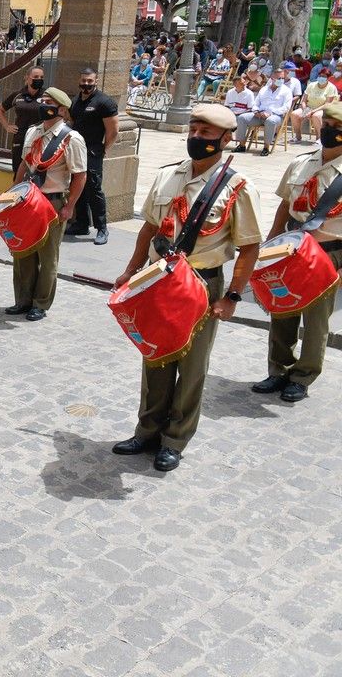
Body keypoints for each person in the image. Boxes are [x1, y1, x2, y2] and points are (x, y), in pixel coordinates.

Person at [112, 103, 261, 471]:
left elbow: (249, 246)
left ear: (226, 139)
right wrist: (131, 269)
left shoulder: (238, 187)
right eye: (194, 129)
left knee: (191, 366)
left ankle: (174, 440)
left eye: (206, 133)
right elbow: (148, 227)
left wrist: (233, 297)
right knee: (155, 358)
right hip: (157, 281)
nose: (196, 137)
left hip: (201, 285)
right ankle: (147, 431)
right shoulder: (167, 176)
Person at [252, 103, 342, 403]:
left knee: (316, 320)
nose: (329, 131)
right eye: (326, 124)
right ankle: (278, 369)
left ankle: (303, 376)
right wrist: (270, 241)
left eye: (336, 128)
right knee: (282, 308)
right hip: (290, 248)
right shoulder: (302, 162)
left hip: (327, 253)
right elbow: (284, 203)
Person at [9, 88, 87, 321]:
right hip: (27, 200)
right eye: (43, 100)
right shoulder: (33, 131)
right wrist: (13, 191)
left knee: (47, 255)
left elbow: (80, 175)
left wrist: (69, 206)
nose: (43, 104)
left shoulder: (72, 139)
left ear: (61, 109)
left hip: (52, 201)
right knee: (23, 252)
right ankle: (22, 300)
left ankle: (40, 303)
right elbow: (24, 164)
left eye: (49, 102)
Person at [68, 68, 119, 245]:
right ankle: (81, 223)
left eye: (90, 81)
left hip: (93, 151)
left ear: (96, 81)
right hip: (76, 152)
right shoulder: (75, 101)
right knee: (77, 187)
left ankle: (102, 228)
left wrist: (104, 150)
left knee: (93, 189)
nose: (86, 84)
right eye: (84, 80)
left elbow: (113, 131)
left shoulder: (104, 102)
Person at [0, 66, 47, 174]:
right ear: (27, 78)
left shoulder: (47, 96)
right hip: (20, 138)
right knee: (18, 170)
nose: (39, 79)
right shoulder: (18, 95)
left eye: (41, 77)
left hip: (39, 138)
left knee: (37, 172)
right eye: (36, 77)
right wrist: (7, 126)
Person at [236, 68, 293, 155]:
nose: (281, 80)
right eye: (278, 78)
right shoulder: (264, 89)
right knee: (242, 118)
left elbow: (286, 107)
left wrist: (270, 113)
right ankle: (242, 145)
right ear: (272, 78)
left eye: (282, 78)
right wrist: (256, 111)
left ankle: (266, 147)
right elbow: (255, 103)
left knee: (270, 121)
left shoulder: (286, 91)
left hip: (276, 115)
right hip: (260, 114)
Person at [289, 71, 340, 143]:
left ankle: (319, 138)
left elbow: (327, 104)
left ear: (328, 78)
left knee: (316, 116)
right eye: (320, 76)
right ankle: (298, 136)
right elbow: (304, 100)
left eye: (324, 76)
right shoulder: (311, 85)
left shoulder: (331, 87)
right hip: (308, 108)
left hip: (321, 109)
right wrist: (305, 110)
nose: (321, 78)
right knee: (294, 114)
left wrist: (312, 111)